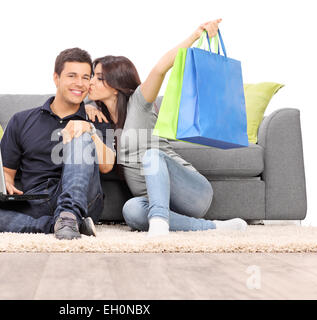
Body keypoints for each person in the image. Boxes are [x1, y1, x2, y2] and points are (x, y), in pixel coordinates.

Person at [86, 19, 248, 237]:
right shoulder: (100, 119)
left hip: (191, 193)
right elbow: (62, 103)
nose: (90, 82)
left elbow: (161, 67)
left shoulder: (139, 102)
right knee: (131, 210)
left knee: (152, 155)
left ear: (116, 85)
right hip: (153, 203)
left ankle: (160, 222)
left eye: (98, 78)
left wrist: (195, 35)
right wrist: (84, 107)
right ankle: (214, 227)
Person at [0, 48, 116, 240]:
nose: (80, 83)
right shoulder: (21, 120)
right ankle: (57, 224)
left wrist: (89, 130)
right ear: (56, 78)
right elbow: (7, 173)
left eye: (86, 77)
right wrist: (6, 183)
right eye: (72, 76)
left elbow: (107, 165)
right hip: (36, 202)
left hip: (83, 199)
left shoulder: (96, 119)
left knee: (81, 135)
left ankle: (69, 214)